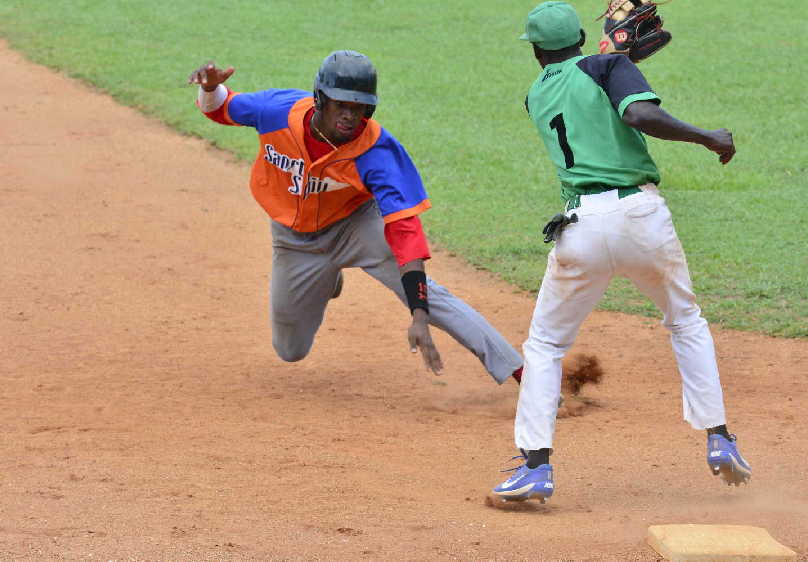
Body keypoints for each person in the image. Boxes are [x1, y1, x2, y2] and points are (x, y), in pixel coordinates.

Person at [490, 1, 751, 503]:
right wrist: (706, 137)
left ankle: (535, 466)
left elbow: (585, 91)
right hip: (640, 219)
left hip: (581, 228)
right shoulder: (607, 66)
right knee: (685, 321)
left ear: (536, 51)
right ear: (582, 40)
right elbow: (635, 112)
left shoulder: (536, 95)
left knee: (545, 346)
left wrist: (619, 62)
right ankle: (719, 437)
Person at [186, 50, 523, 385]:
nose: (350, 116)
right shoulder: (277, 112)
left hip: (357, 226)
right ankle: (326, 279)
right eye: (341, 105)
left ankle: (523, 374)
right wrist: (211, 87)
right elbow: (222, 108)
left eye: (358, 107)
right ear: (320, 99)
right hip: (293, 240)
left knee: (431, 297)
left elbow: (406, 233)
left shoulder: (377, 151)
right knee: (290, 349)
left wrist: (418, 314)